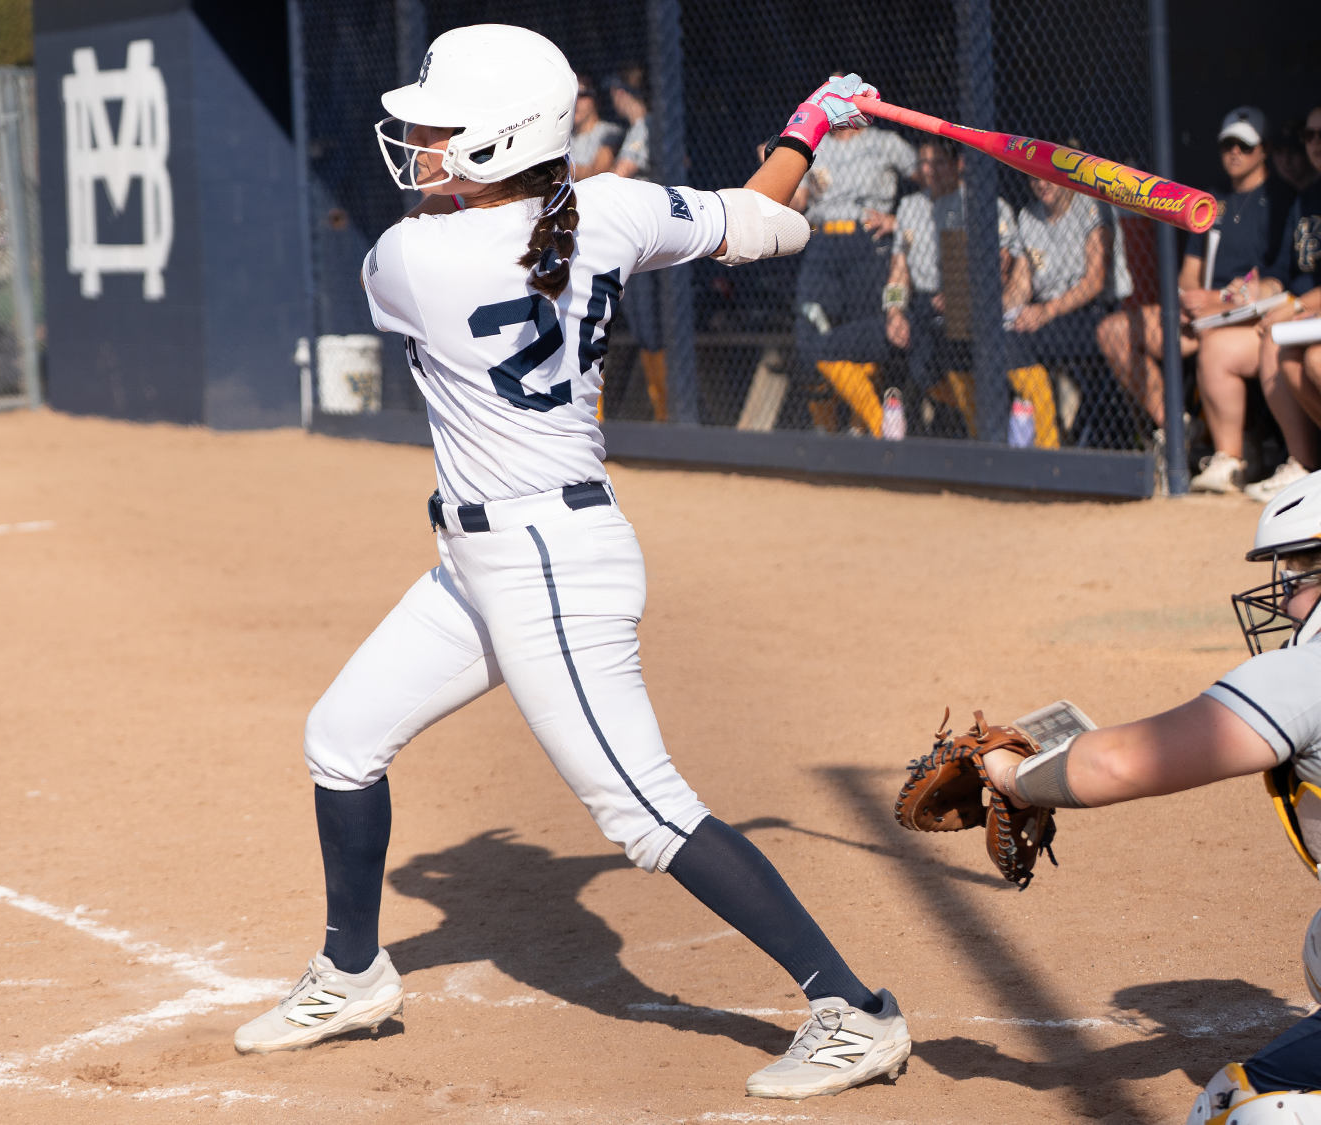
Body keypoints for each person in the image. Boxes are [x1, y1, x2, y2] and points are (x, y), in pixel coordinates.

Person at [244, 26, 912, 1102]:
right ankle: (353, 973)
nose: (412, 142)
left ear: (493, 143)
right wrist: (809, 125)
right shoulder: (608, 206)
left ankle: (850, 1010)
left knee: (641, 812)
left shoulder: (410, 258)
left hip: (545, 564)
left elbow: (510, 231)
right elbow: (766, 223)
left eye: (434, 130)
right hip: (486, 556)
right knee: (341, 737)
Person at [974, 470, 1321, 1122]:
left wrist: (1012, 776)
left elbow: (1122, 761)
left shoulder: (1305, 672)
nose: (1287, 591)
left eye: (1300, 569)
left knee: (1239, 1108)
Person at [1097, 108, 1296, 485]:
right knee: (1113, 331)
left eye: (1244, 145)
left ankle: (1235, 453)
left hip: (1247, 317)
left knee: (1216, 345)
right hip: (1202, 314)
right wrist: (1189, 297)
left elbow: (1276, 282)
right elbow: (1189, 273)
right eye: (1227, 145)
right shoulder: (1210, 200)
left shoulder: (1283, 199)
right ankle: (1176, 428)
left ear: (1264, 149)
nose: (1234, 152)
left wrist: (1219, 300)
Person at [786, 92, 917, 431]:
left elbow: (930, 180)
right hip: (823, 242)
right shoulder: (815, 146)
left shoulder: (885, 143)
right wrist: (775, 167)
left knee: (866, 337)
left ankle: (869, 430)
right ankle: (835, 436)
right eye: (830, 101)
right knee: (807, 336)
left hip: (867, 243)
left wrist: (898, 219)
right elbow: (798, 200)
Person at [881, 139, 1019, 438]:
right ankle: (982, 416)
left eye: (938, 163)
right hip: (925, 303)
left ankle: (984, 429)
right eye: (923, 163)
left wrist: (961, 293)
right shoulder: (910, 206)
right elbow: (898, 271)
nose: (929, 171)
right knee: (920, 367)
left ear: (959, 164)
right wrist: (894, 311)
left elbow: (1003, 263)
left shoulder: (984, 204)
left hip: (972, 302)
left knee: (956, 351)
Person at [1002, 152, 1113, 449]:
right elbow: (1021, 284)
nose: (1040, 183)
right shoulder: (1028, 216)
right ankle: (1048, 435)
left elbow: (1095, 281)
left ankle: (1047, 443)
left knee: (1017, 345)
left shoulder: (1090, 206)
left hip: (1091, 312)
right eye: (1033, 176)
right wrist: (1007, 314)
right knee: (1002, 337)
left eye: (1046, 175)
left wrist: (1045, 312)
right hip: (1046, 315)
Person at [1248, 115, 1321, 502]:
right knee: (1289, 356)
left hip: (1309, 312)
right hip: (1306, 313)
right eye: (1308, 134)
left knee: (1308, 360)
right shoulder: (1304, 199)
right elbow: (1282, 270)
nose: (1314, 142)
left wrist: (1293, 307)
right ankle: (1305, 465)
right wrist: (1259, 293)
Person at [566, 77, 621, 181]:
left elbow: (598, 173)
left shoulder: (610, 132)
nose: (576, 101)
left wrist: (559, 168)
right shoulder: (564, 137)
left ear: (596, 100)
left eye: (582, 95)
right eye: (572, 96)